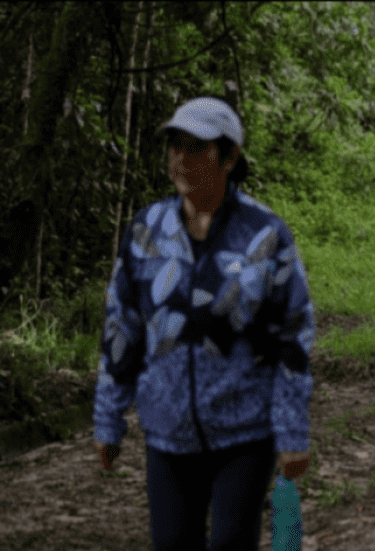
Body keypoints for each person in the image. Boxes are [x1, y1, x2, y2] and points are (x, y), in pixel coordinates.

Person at [92, 97, 315, 551]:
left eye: (196, 148)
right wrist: (107, 419)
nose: (180, 158)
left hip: (245, 430)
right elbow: (122, 328)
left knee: (231, 542)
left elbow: (293, 334)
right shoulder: (146, 231)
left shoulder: (264, 234)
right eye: (175, 145)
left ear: (229, 157)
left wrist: (292, 430)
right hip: (167, 433)